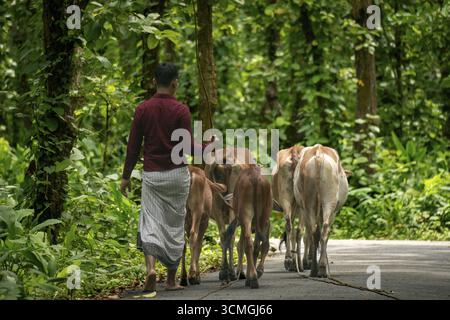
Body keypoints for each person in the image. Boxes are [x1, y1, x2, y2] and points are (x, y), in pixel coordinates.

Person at [120, 62, 210, 292]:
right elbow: (188, 145)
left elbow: (133, 146)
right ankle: (170, 281)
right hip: (177, 176)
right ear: (174, 83)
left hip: (152, 176)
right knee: (175, 225)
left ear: (154, 82)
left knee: (149, 223)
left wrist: (126, 176)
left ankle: (151, 269)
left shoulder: (142, 109)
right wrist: (208, 148)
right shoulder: (181, 110)